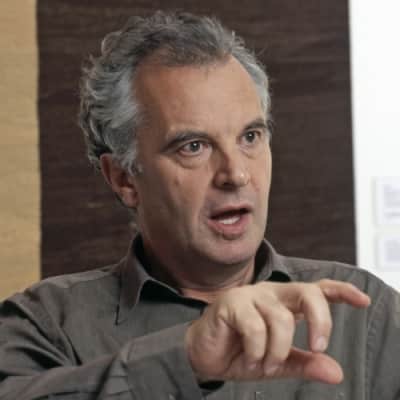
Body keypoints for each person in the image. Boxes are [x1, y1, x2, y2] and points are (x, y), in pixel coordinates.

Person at [0, 11, 399, 400]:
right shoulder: (46, 325)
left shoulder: (365, 312)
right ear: (124, 178)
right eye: (193, 146)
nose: (236, 174)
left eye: (250, 137)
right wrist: (184, 360)